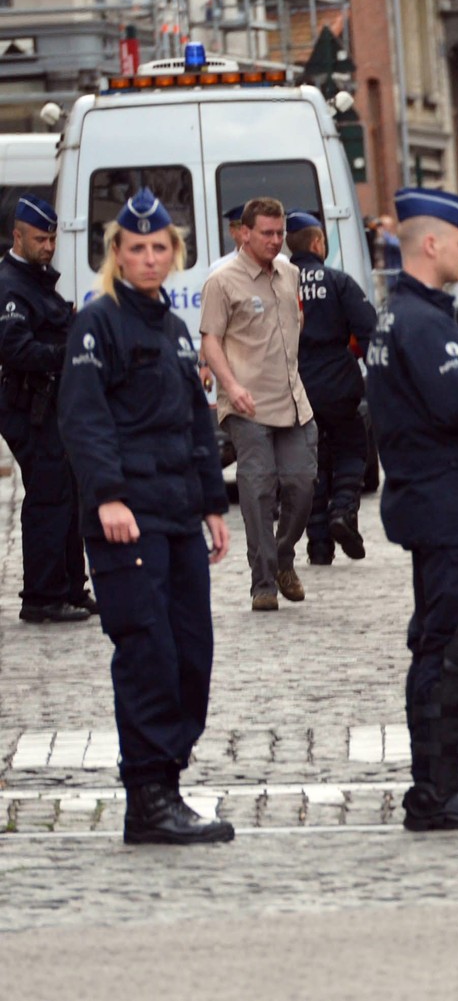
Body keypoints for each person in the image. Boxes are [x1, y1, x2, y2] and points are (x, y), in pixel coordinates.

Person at [57, 188, 235, 845]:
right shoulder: (97, 323)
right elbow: (83, 417)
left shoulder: (173, 326)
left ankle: (170, 779)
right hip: (124, 520)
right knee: (147, 653)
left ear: (175, 253)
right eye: (137, 248)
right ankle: (148, 796)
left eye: (160, 247)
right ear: (117, 255)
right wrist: (107, 494)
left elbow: (194, 419)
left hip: (176, 514)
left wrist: (213, 504)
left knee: (192, 653)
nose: (150, 257)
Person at [365, 187, 458, 833]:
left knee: (436, 645)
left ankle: (435, 787)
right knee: (447, 649)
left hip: (434, 502)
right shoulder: (422, 322)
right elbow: (455, 404)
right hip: (450, 506)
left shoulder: (401, 315)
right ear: (430, 244)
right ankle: (436, 792)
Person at [198, 197, 317, 612]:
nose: (275, 240)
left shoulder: (290, 273)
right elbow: (210, 338)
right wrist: (229, 384)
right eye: (266, 233)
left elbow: (294, 327)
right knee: (258, 488)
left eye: (280, 233)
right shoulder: (223, 280)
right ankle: (263, 581)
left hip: (293, 401)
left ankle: (283, 555)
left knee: (302, 485)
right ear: (244, 233)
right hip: (246, 404)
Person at [0, 194, 92, 623]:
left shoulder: (35, 280)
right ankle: (41, 596)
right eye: (40, 238)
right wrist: (66, 354)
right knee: (49, 498)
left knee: (67, 495)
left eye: (52, 238)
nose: (49, 246)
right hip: (28, 405)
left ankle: (71, 587)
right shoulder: (11, 286)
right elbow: (16, 349)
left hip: (51, 404)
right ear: (17, 236)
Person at [286, 211, 377, 565]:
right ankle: (343, 510)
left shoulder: (279, 283)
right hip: (338, 382)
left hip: (296, 383)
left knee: (312, 462)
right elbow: (368, 329)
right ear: (317, 243)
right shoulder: (337, 281)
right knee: (353, 446)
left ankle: (318, 544)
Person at [209, 203, 247, 273]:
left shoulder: (272, 264)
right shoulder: (219, 268)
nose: (249, 234)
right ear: (232, 231)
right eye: (243, 229)